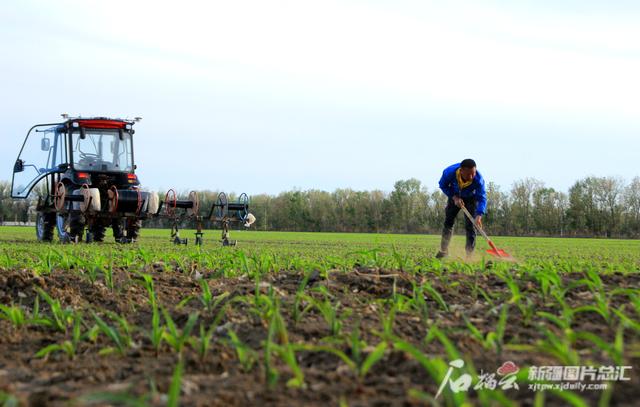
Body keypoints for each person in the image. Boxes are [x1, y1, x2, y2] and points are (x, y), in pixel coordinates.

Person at [436, 159, 487, 259]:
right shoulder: (449, 172)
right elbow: (442, 185)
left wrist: (479, 215)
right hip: (454, 196)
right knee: (448, 222)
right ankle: (444, 251)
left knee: (471, 226)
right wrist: (454, 197)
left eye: (474, 173)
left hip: (471, 198)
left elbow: (482, 198)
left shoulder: (478, 180)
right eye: (469, 174)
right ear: (461, 171)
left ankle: (469, 256)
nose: (472, 177)